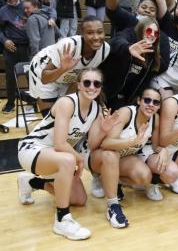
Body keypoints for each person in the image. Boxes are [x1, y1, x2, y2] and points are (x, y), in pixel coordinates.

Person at [16, 68, 112, 240]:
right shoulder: (67, 103)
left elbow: (92, 144)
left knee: (79, 199)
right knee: (68, 159)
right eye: (87, 83)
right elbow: (60, 143)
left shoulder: (96, 109)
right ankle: (62, 219)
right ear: (79, 85)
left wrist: (104, 130)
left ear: (101, 87)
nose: (92, 87)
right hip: (32, 149)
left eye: (96, 83)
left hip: (56, 156)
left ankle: (32, 182)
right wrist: (80, 159)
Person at [84, 87, 178, 204]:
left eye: (156, 102)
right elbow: (106, 144)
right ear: (139, 101)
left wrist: (163, 150)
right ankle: (99, 175)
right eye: (147, 100)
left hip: (123, 157)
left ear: (159, 106)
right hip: (100, 155)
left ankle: (109, 180)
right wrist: (132, 142)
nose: (151, 105)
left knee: (144, 177)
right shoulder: (126, 112)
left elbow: (155, 146)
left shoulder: (155, 118)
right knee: (111, 156)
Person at [29, 16, 109, 117]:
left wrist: (64, 103)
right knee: (50, 119)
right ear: (82, 34)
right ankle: (32, 97)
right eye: (90, 33)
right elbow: (44, 79)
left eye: (99, 32)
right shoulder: (68, 45)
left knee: (65, 113)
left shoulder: (105, 50)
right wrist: (63, 69)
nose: (96, 37)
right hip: (42, 71)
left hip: (69, 76)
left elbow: (79, 79)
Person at [100, 16, 169, 110]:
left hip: (124, 100)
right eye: (149, 31)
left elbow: (159, 69)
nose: (152, 35)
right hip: (103, 91)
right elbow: (115, 42)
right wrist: (128, 48)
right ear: (141, 30)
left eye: (156, 33)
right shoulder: (130, 35)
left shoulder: (152, 56)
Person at [0, 0, 29, 113]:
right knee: (10, 77)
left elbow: (48, 11)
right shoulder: (2, 10)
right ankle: (11, 103)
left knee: (31, 75)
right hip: (10, 47)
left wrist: (51, 18)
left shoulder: (27, 5)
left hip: (27, 47)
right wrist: (4, 40)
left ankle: (35, 100)